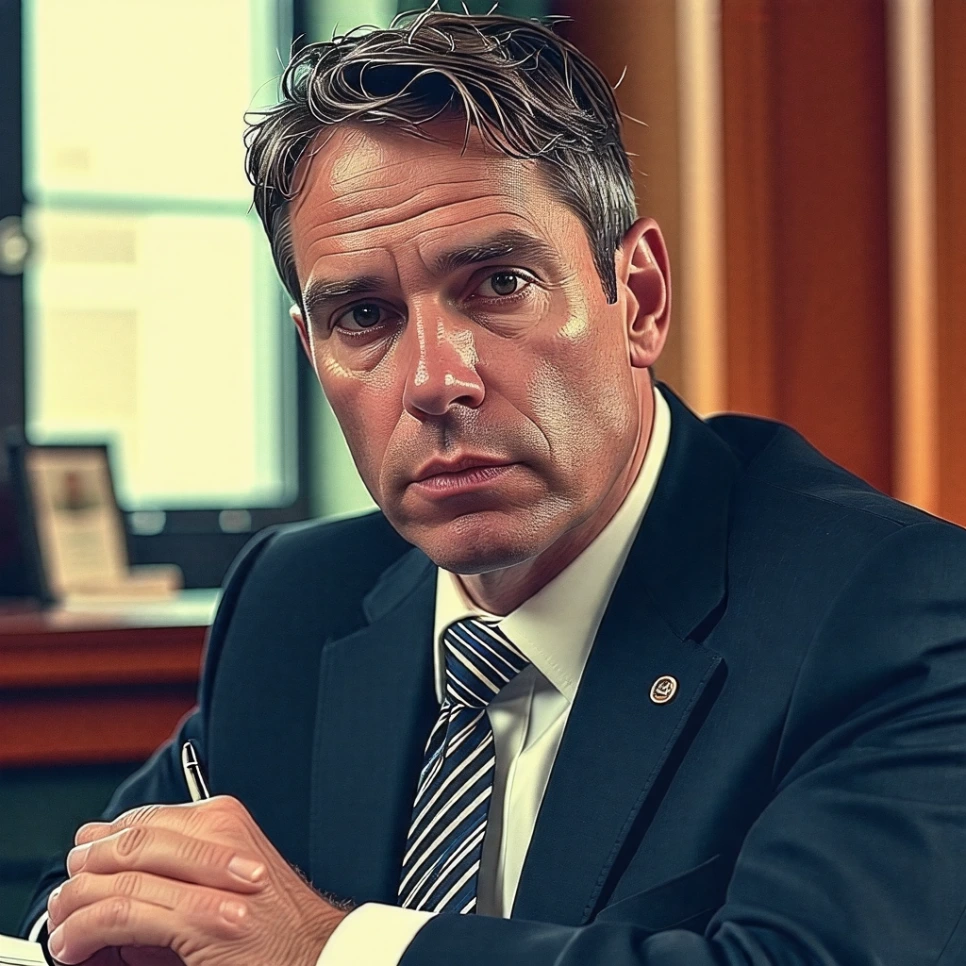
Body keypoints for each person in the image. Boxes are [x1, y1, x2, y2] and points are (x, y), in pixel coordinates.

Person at [20, 9, 966, 966]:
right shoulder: (295, 600)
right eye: (364, 316)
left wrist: (326, 951)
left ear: (638, 298)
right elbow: (91, 905)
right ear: (311, 351)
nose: (435, 381)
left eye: (500, 283)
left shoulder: (896, 608)